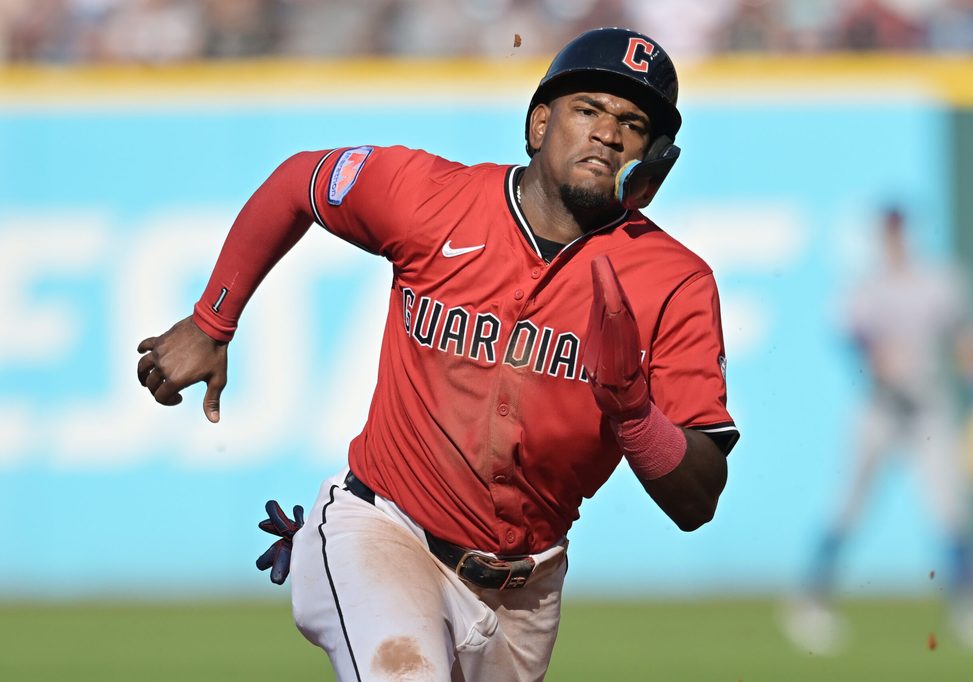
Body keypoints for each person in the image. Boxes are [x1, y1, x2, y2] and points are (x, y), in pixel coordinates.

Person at [136, 27, 739, 681]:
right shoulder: (434, 199)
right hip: (383, 531)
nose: (607, 132)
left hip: (524, 595)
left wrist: (633, 413)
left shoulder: (673, 283)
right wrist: (211, 319)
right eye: (587, 108)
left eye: (632, 122)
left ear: (652, 162)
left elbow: (697, 500)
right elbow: (301, 181)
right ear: (540, 124)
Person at [781, 206, 973, 655]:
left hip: (929, 406)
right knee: (847, 506)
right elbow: (849, 334)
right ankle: (809, 601)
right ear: (878, 237)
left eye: (898, 232)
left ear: (909, 233)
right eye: (886, 233)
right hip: (881, 407)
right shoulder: (867, 286)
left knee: (952, 508)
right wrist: (872, 356)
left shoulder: (940, 280)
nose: (894, 240)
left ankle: (969, 607)